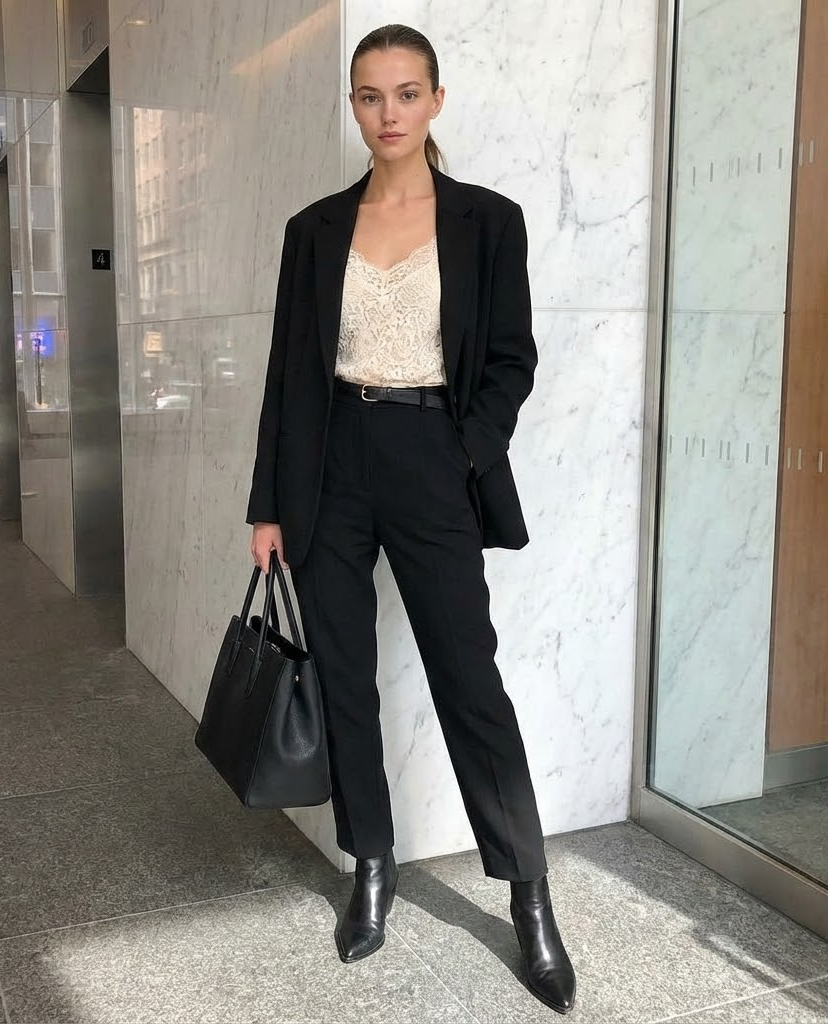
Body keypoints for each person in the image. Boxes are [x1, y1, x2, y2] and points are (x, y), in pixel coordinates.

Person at [246, 23, 576, 1016]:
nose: (385, 114)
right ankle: (372, 864)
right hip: (328, 467)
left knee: (468, 682)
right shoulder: (313, 231)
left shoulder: (486, 221)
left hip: (432, 459)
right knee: (346, 677)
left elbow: (512, 358)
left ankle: (528, 892)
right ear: (353, 107)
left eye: (403, 94)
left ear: (435, 101)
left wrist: (460, 453)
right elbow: (284, 377)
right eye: (368, 96)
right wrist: (267, 503)